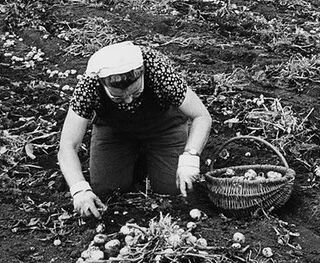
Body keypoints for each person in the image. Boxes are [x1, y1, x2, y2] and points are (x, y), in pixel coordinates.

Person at [57, 42, 213, 218]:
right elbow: (68, 145)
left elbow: (202, 116)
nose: (129, 100)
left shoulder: (157, 69)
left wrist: (190, 157)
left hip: (163, 128)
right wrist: (79, 189)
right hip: (115, 132)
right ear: (103, 84)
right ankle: (135, 160)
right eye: (117, 98)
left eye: (136, 92)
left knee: (173, 188)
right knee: (107, 189)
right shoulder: (90, 83)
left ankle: (154, 158)